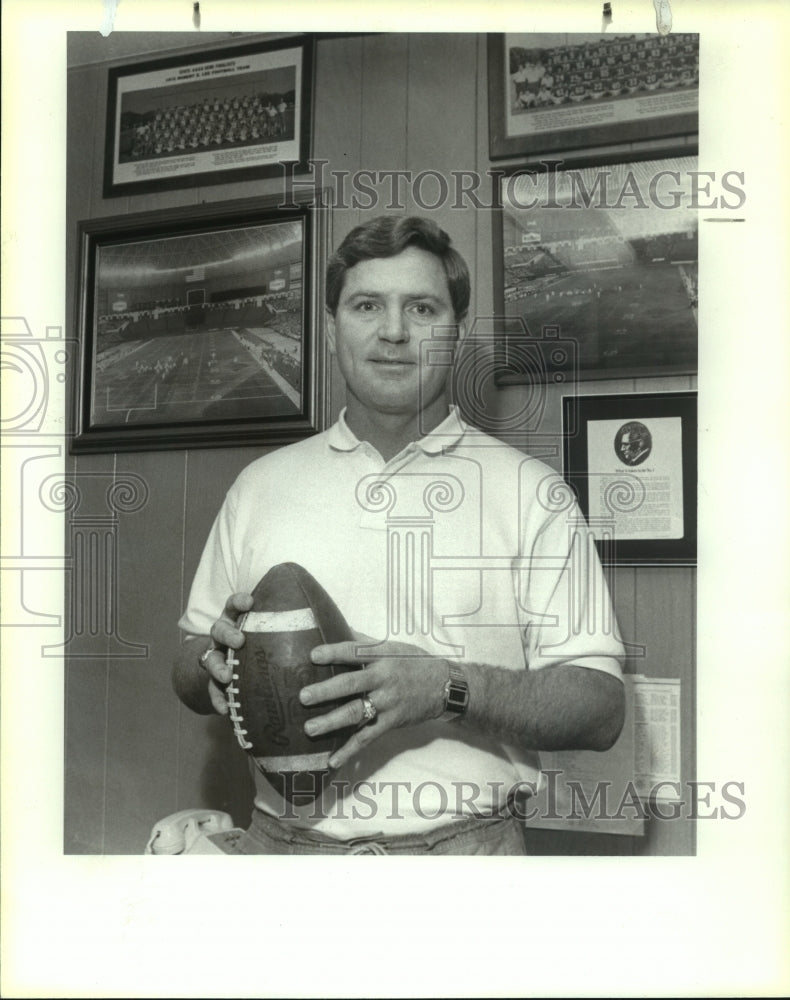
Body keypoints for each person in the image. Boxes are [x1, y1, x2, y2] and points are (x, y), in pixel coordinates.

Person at [173, 215, 626, 855]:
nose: (393, 332)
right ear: (332, 330)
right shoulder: (259, 485)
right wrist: (208, 665)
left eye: (421, 307)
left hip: (468, 861)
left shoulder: (532, 491)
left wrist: (445, 688)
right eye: (367, 306)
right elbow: (190, 657)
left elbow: (601, 707)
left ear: (457, 333)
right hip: (284, 852)